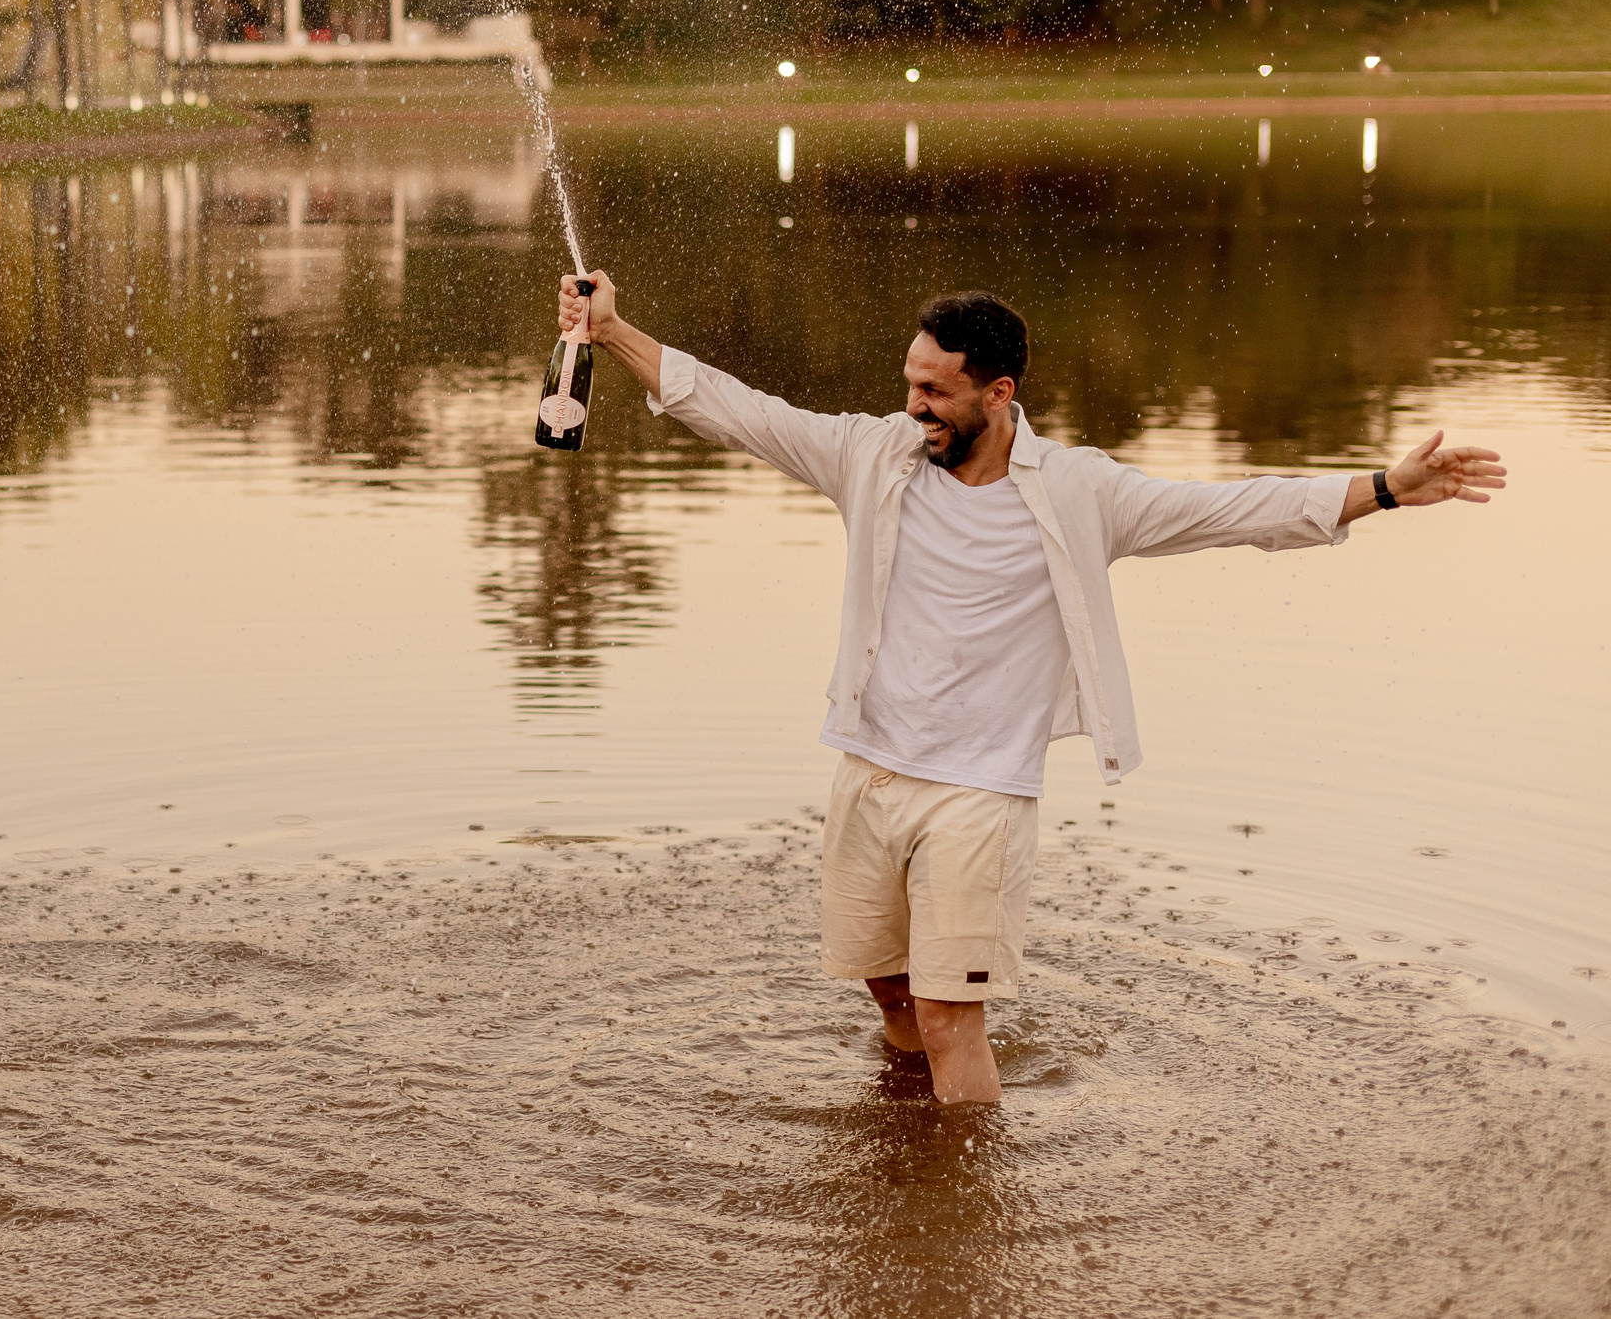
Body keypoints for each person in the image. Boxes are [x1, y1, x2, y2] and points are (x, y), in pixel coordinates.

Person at [557, 278, 1506, 1106]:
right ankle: (911, 1120)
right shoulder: (874, 457)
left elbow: (1229, 509)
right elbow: (736, 408)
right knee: (887, 986)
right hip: (869, 768)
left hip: (980, 790)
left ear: (998, 392)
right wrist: (614, 329)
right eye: (909, 383)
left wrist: (1381, 486)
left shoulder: (1081, 491)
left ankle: (967, 1210)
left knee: (948, 1011)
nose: (914, 405)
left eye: (935, 390)